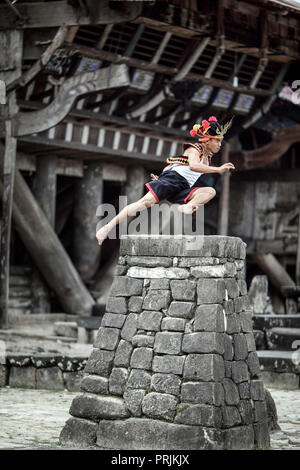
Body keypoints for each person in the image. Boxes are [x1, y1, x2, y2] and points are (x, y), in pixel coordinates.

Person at [96, 115, 235, 246]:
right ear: (207, 139)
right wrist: (218, 170)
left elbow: (177, 167)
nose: (219, 144)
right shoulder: (195, 149)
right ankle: (107, 227)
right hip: (172, 181)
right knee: (142, 203)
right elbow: (192, 166)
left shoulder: (207, 158)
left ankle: (186, 206)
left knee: (210, 191)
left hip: (183, 187)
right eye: (217, 140)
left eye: (220, 141)